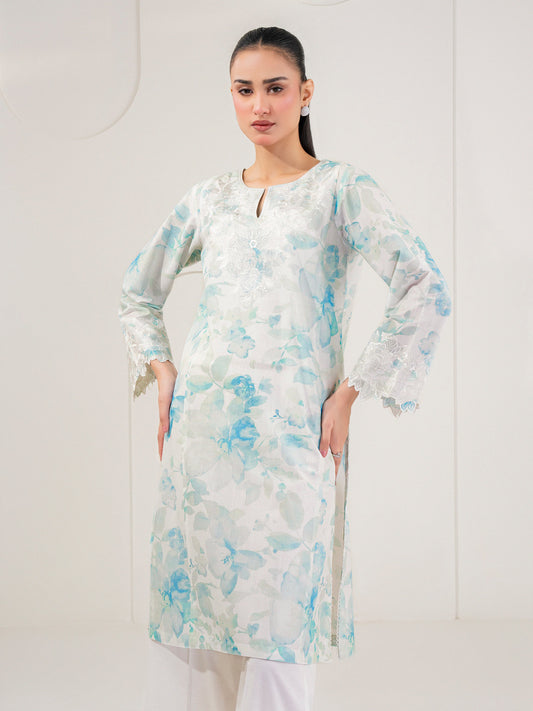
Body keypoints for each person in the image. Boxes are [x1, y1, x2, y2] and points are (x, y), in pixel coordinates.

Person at [118, 25, 452, 711]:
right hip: (201, 440)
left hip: (294, 437)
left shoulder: (340, 189)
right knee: (194, 627)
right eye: (244, 90)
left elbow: (424, 285)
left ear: (305, 92)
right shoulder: (209, 198)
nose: (260, 105)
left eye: (275, 88)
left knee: (280, 624)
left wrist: (351, 391)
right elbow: (137, 291)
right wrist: (163, 370)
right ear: (230, 97)